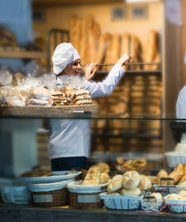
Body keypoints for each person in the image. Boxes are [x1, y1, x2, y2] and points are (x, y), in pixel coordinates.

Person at [49, 43, 130, 171]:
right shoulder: (81, 86)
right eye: (74, 64)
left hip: (56, 150)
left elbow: (56, 123)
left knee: (59, 189)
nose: (79, 67)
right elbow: (106, 87)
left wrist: (86, 81)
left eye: (79, 63)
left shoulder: (51, 86)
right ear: (64, 67)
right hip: (74, 151)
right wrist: (120, 62)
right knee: (72, 189)